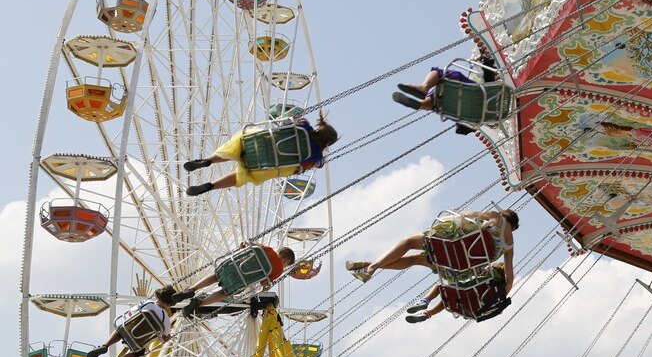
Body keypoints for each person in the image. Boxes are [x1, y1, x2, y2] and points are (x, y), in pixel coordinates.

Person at [346, 209, 518, 285]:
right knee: (414, 260)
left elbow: (467, 215)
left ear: (504, 215)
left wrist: (478, 218)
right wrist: (504, 296)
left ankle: (372, 268)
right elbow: (509, 276)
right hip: (454, 265)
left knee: (408, 242)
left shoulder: (497, 217)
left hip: (448, 244)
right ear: (514, 227)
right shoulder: (509, 247)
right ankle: (367, 265)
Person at [184, 115, 338, 196]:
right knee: (241, 177)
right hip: (269, 166)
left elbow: (287, 123)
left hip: (260, 143)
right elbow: (315, 165)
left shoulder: (304, 126)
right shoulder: (317, 157)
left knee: (238, 143)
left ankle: (207, 160)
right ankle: (211, 186)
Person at [87, 286, 181, 357]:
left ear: (158, 296)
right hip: (139, 341)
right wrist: (167, 337)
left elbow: (130, 313)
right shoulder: (165, 318)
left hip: (128, 330)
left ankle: (105, 346)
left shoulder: (148, 303)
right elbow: (165, 337)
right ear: (170, 305)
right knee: (139, 353)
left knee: (120, 330)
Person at [177, 244, 295, 314]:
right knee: (225, 292)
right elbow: (263, 282)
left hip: (232, 267)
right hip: (241, 280)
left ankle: (192, 289)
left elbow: (246, 246)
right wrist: (266, 286)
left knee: (216, 276)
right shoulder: (279, 271)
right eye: (286, 265)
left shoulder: (267, 249)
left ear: (279, 252)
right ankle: (200, 303)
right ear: (286, 261)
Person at [403, 263, 511, 323]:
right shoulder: (502, 292)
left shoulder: (487, 277)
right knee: (448, 300)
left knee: (440, 287)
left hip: (465, 291)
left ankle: (425, 300)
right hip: (472, 308)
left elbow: (471, 279)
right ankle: (427, 314)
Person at [393, 55, 499, 112]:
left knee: (439, 75)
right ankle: (423, 96)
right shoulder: (493, 90)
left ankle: (423, 97)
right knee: (440, 87)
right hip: (477, 100)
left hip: (462, 105)